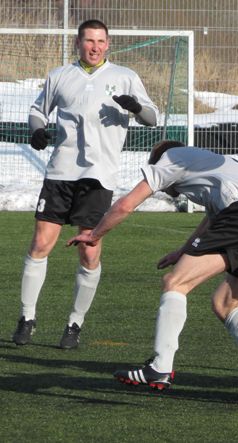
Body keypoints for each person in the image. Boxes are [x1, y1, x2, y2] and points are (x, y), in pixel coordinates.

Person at [68, 141, 238, 401]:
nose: (163, 186)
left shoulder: (170, 157)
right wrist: (182, 251)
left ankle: (160, 367)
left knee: (174, 283)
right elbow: (212, 220)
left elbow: (126, 205)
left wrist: (94, 234)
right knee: (225, 303)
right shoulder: (219, 165)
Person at [12, 19, 159, 349]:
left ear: (108, 44)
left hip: (99, 175)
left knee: (89, 251)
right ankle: (26, 318)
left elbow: (152, 118)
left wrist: (136, 107)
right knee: (41, 243)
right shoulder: (59, 75)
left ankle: (74, 324)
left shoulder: (125, 76)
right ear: (78, 43)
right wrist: (37, 130)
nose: (95, 47)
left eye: (100, 41)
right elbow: (37, 111)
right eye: (89, 41)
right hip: (60, 172)